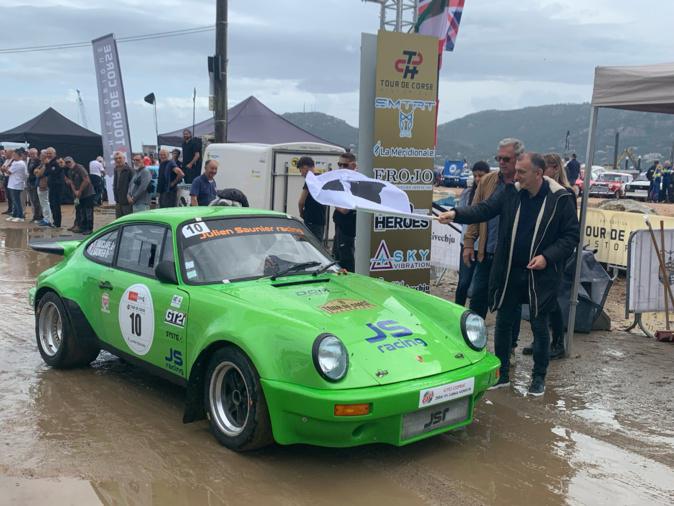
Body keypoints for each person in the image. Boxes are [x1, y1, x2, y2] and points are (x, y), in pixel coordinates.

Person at [439, 152, 580, 396]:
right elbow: (485, 209)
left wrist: (547, 257)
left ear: (538, 173)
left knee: (538, 324)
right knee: (503, 321)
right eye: (516, 171)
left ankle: (538, 378)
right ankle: (502, 373)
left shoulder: (561, 198)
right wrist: (456, 214)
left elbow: (571, 237)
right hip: (509, 271)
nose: (516, 176)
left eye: (521, 172)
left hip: (541, 274)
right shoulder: (510, 192)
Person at [455, 161, 490, 306]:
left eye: (481, 175)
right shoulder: (468, 193)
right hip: (468, 244)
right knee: (464, 282)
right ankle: (457, 309)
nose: (477, 179)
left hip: (485, 247)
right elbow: (461, 215)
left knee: (479, 287)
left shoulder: (493, 195)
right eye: (475, 175)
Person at [332, 152, 357, 271]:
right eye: (339, 164)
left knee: (345, 262)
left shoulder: (355, 182)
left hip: (347, 230)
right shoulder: (343, 180)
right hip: (340, 227)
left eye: (344, 165)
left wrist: (331, 199)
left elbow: (345, 209)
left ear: (353, 165)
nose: (341, 168)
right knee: (335, 260)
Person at [297, 156, 326, 241]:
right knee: (318, 244)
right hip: (321, 219)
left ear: (305, 168)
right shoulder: (322, 179)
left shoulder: (310, 180)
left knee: (307, 244)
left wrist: (301, 213)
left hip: (310, 218)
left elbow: (301, 202)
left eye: (300, 170)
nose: (301, 174)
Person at [64, 157, 95, 234]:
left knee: (88, 212)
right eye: (66, 162)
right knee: (81, 211)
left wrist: (80, 190)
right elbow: (71, 182)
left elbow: (86, 180)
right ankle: (82, 227)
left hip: (88, 193)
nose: (68, 163)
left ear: (73, 161)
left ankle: (89, 229)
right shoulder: (70, 171)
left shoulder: (79, 168)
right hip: (79, 195)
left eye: (69, 162)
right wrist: (75, 191)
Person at [2, 149, 27, 222]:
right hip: (13, 184)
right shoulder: (17, 162)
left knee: (17, 201)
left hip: (16, 184)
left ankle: (20, 216)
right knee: (15, 201)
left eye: (14, 155)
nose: (13, 157)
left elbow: (8, 172)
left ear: (19, 156)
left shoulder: (19, 163)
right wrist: (6, 168)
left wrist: (5, 168)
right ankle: (14, 215)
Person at [44, 149, 65, 228]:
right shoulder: (50, 162)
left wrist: (47, 165)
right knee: (52, 204)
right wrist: (47, 165)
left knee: (56, 205)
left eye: (50, 153)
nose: (48, 155)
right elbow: (46, 173)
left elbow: (53, 172)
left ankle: (57, 223)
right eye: (47, 153)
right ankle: (54, 221)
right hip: (52, 186)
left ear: (54, 154)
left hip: (57, 186)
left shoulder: (57, 161)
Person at [34, 150, 53, 227]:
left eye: (41, 154)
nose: (40, 156)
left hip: (44, 185)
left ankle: (48, 220)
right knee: (43, 203)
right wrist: (37, 172)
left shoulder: (46, 163)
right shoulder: (42, 163)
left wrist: (37, 172)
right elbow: (34, 171)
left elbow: (39, 174)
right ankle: (45, 218)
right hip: (40, 184)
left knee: (45, 203)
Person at [112, 151, 134, 218]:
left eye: (120, 158)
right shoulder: (115, 169)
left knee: (127, 220)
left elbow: (133, 185)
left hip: (126, 201)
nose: (118, 160)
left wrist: (130, 196)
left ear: (124, 158)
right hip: (118, 201)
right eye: (116, 159)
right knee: (118, 221)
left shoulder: (129, 170)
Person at [25, 148, 43, 223]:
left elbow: (37, 173)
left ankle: (38, 217)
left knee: (36, 201)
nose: (32, 155)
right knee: (32, 201)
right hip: (29, 182)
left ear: (37, 154)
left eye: (33, 153)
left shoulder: (39, 162)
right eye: (30, 153)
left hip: (35, 183)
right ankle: (37, 216)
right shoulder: (30, 161)